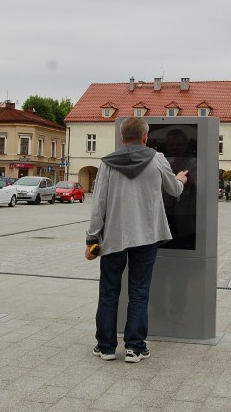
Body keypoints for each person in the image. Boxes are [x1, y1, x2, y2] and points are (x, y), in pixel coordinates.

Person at [85, 117, 188, 363]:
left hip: (113, 238)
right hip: (147, 237)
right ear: (145, 137)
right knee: (139, 292)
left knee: (109, 293)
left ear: (122, 138)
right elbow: (174, 189)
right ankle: (135, 347)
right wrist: (181, 180)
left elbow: (98, 204)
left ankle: (106, 347)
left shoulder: (107, 164)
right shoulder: (157, 159)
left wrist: (91, 237)